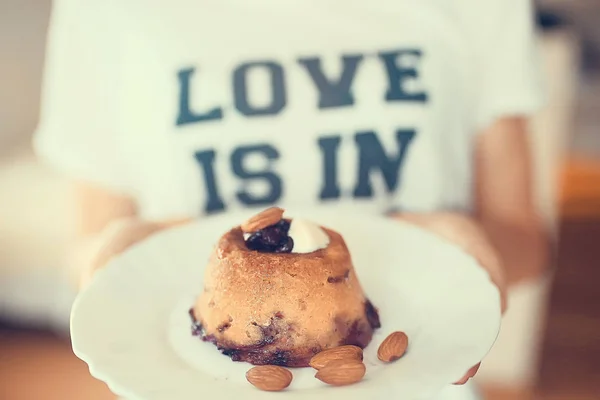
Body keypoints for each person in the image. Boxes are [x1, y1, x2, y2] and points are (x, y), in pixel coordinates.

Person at [34, 0, 549, 398]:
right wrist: (120, 255)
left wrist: (472, 246)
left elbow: (526, 238)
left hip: (419, 384)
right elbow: (87, 246)